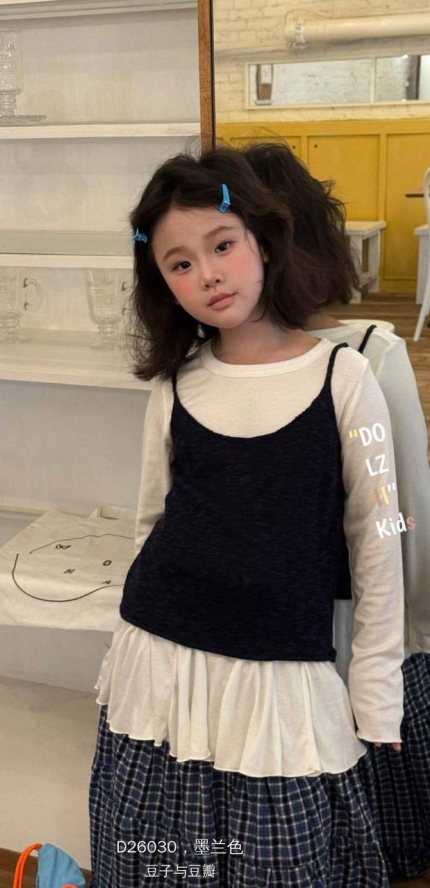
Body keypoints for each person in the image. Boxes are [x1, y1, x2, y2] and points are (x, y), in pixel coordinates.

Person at [89, 146, 405, 888]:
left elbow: (378, 535)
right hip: (159, 659)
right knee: (156, 859)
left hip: (282, 671)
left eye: (222, 245)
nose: (208, 274)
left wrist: (376, 689)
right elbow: (150, 523)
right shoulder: (174, 385)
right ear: (164, 284)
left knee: (282, 862)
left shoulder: (347, 376)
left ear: (262, 241)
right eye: (180, 263)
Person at [242, 139, 430, 881]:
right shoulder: (369, 353)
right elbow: (407, 514)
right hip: (332, 630)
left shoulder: (365, 355)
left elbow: (398, 513)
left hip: (321, 631)